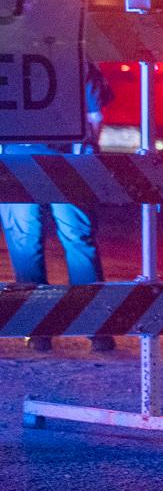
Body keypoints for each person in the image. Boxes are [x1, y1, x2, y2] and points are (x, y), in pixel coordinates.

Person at [2, 63, 115, 353]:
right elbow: (94, 115)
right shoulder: (73, 51)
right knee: (78, 238)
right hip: (69, 156)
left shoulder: (9, 53)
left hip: (15, 155)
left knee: (24, 240)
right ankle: (96, 327)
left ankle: (39, 330)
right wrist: (87, 153)